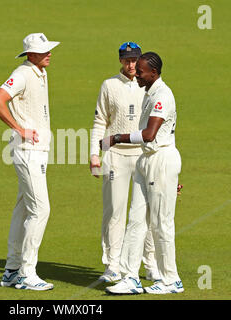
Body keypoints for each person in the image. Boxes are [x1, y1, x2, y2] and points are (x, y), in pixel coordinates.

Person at [102, 52, 184, 294]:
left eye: (140, 71)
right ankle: (130, 277)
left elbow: (150, 134)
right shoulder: (149, 93)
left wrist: (117, 138)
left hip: (160, 160)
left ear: (154, 73)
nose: (135, 74)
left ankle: (171, 280)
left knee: (161, 223)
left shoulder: (162, 95)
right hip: (146, 160)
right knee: (136, 221)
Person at [0, 33, 60, 291]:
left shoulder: (40, 72)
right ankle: (26, 273)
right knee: (40, 210)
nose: (50, 53)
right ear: (30, 54)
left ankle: (11, 269)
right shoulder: (22, 73)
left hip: (37, 151)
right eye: (44, 51)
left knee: (23, 208)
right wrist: (19, 129)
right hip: (28, 151)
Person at [90, 42, 160, 283]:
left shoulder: (149, 86)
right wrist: (94, 154)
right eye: (127, 60)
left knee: (146, 212)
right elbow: (101, 120)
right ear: (121, 60)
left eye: (135, 60)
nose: (131, 65)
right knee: (114, 212)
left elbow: (160, 124)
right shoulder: (109, 85)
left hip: (143, 155)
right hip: (116, 155)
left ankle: (150, 262)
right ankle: (113, 264)